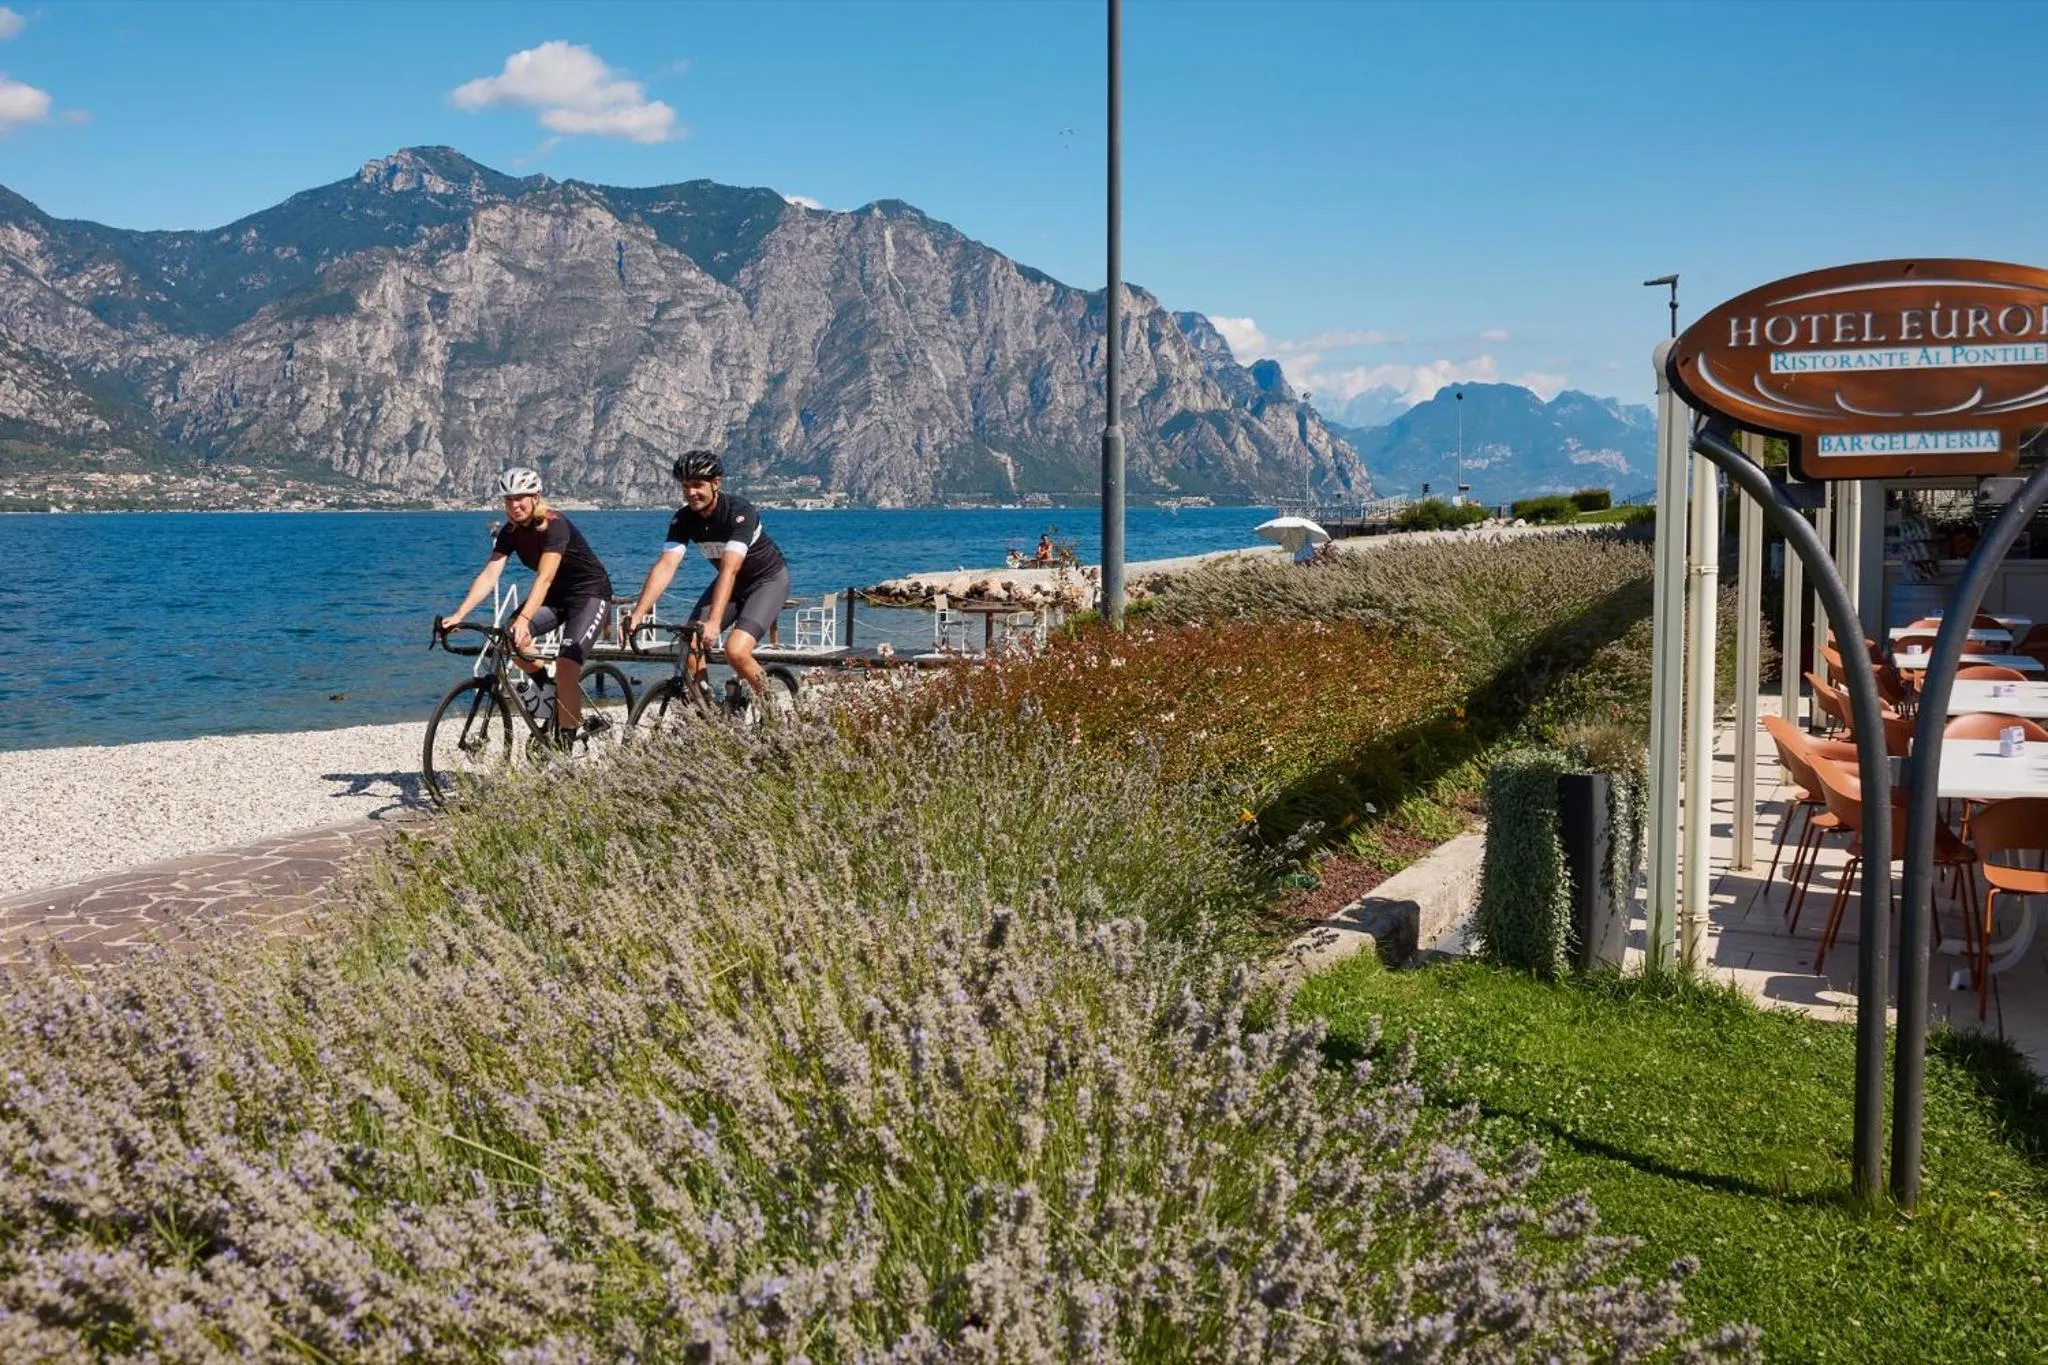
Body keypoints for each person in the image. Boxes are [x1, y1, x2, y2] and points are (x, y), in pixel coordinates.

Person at [439, 466, 615, 738]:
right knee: (510, 639)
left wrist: (523, 619)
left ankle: (564, 746)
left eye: (521, 497)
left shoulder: (555, 525)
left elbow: (544, 578)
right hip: (556, 597)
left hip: (589, 593)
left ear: (536, 497)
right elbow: (489, 574)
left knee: (568, 665)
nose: (514, 504)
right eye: (508, 499)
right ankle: (546, 685)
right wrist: (460, 613)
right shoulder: (510, 532)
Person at [620, 449, 792, 711]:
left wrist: (713, 622)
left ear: (715, 484)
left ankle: (776, 713)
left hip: (767, 581)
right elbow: (666, 566)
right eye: (685, 486)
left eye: (698, 485)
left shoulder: (739, 512)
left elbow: (729, 569)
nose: (691, 493)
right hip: (731, 586)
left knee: (736, 652)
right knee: (689, 644)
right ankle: (708, 715)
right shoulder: (683, 519)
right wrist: (638, 613)